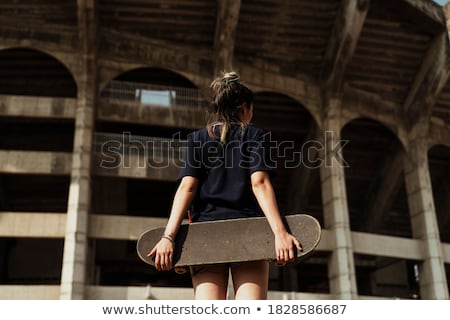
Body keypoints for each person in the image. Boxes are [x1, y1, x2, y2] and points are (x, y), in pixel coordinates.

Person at [148, 71, 301, 300]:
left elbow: (187, 188)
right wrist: (280, 233)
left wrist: (168, 237)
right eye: (251, 109)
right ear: (243, 108)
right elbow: (259, 183)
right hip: (248, 232)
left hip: (207, 235)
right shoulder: (256, 136)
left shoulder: (197, 139)